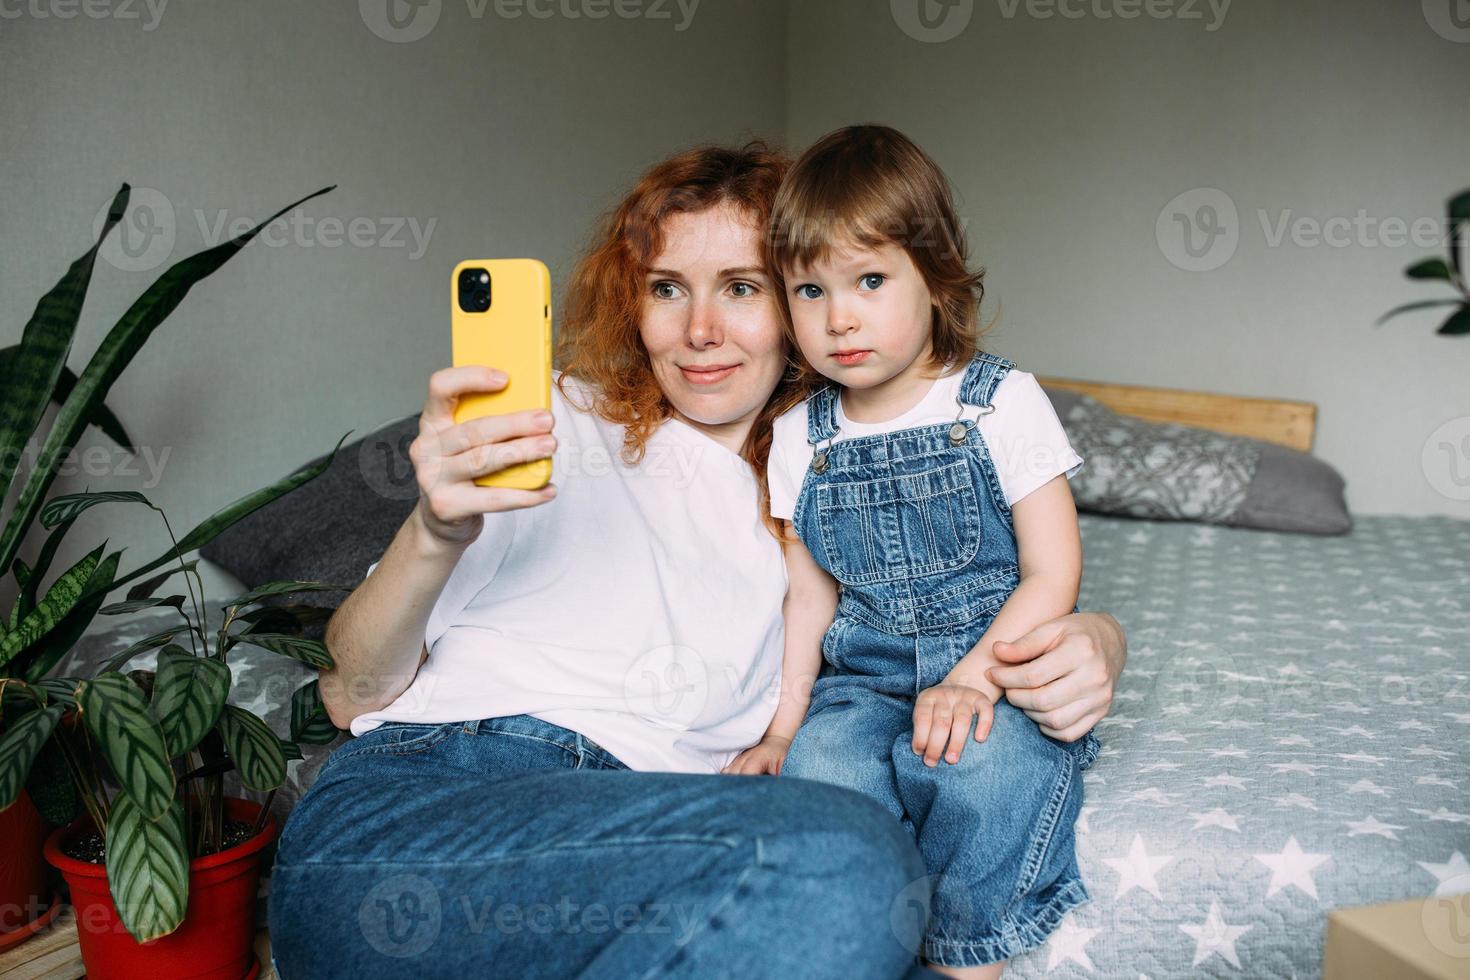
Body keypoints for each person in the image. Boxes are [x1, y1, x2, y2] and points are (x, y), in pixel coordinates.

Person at [267, 140, 1128, 980]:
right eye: (667, 289)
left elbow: (924, 622)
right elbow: (349, 693)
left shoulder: (819, 487)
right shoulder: (551, 418)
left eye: (742, 289)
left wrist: (1096, 634)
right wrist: (433, 530)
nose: (700, 331)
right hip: (418, 811)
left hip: (662, 841)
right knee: (842, 859)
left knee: (844, 866)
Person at [726, 125, 1091, 979]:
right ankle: (866, 947)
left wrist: (974, 678)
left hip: (990, 664)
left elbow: (1054, 571)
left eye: (870, 280)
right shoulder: (797, 437)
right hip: (867, 681)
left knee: (984, 776)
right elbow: (809, 599)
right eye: (808, 291)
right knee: (825, 775)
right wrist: (784, 726)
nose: (838, 317)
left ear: (937, 275)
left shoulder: (1000, 401)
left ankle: (968, 959)